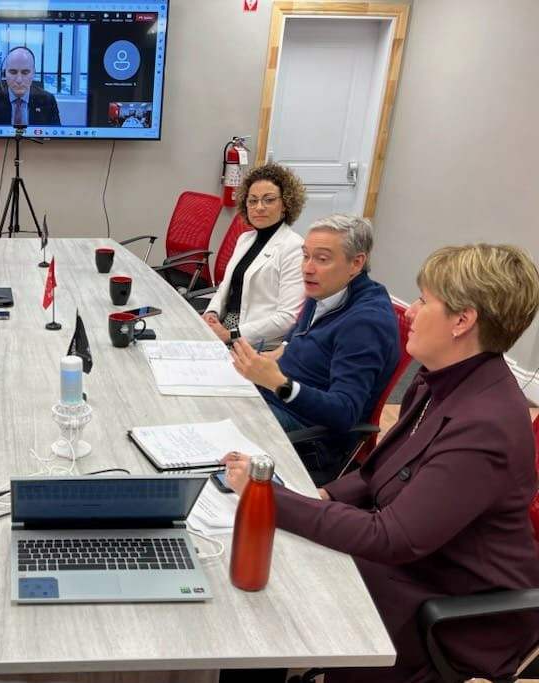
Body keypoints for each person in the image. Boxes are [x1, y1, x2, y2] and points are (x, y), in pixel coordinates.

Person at [224, 243, 539, 683]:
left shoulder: (485, 426)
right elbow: (378, 474)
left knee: (275, 584)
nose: (410, 312)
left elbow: (391, 538)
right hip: (419, 563)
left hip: (449, 605)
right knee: (273, 560)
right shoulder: (440, 381)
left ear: (462, 322)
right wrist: (325, 494)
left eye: (425, 302)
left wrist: (268, 496)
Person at [231, 214, 400, 478]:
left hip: (311, 439)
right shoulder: (326, 289)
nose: (307, 268)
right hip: (278, 401)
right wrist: (280, 351)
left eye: (322, 259)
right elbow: (302, 336)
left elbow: (344, 412)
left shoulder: (365, 323)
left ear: (356, 263)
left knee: (212, 427)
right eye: (305, 256)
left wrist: (279, 383)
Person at [202, 163, 306, 348]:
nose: (259, 207)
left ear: (285, 205)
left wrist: (230, 335)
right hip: (224, 328)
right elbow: (225, 287)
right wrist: (212, 313)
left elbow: (287, 318)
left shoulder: (294, 248)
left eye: (269, 200)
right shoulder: (245, 239)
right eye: (253, 200)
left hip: (255, 342)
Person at [0, 47, 61, 126]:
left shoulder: (48, 100)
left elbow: (56, 139)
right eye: (13, 72)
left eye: (25, 72)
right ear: (5, 73)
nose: (19, 80)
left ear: (33, 73)